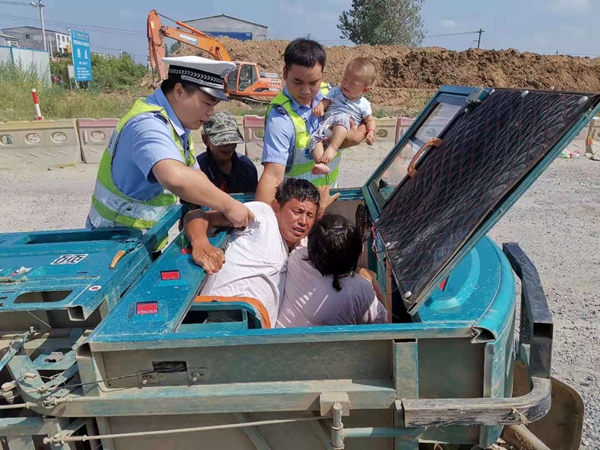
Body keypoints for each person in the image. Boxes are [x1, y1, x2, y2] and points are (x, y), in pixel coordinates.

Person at [86, 55, 254, 234]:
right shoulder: (148, 124)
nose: (211, 113)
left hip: (137, 239)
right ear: (179, 91)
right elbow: (174, 176)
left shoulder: (177, 124)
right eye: (207, 103)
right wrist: (228, 205)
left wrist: (222, 206)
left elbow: (195, 174)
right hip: (112, 239)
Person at [184, 179, 339, 326]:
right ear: (276, 207)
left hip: (256, 330)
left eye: (309, 215)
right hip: (224, 312)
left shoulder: (298, 245)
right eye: (297, 211)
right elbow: (196, 216)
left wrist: (320, 211)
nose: (303, 221)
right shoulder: (263, 215)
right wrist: (200, 244)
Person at [255, 39, 367, 205]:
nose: (306, 91)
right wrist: (263, 223)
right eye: (298, 82)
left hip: (330, 195)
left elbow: (363, 114)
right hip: (300, 209)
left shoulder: (331, 93)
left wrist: (358, 136)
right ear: (285, 73)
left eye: (313, 82)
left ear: (322, 75)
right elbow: (272, 175)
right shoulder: (280, 117)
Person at [276, 214, 388, 328]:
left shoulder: (297, 259)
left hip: (280, 342)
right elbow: (383, 326)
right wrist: (372, 281)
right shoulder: (359, 289)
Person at [310, 58, 377, 174]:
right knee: (313, 140)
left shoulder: (364, 104)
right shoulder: (336, 90)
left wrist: (371, 131)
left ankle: (333, 148)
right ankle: (321, 163)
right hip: (327, 125)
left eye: (352, 83)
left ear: (365, 90)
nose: (346, 84)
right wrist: (320, 107)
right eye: (345, 79)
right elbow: (325, 101)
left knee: (342, 118)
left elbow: (370, 120)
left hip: (344, 127)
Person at [197, 112, 258, 194]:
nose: (228, 146)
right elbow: (190, 204)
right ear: (206, 140)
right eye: (222, 142)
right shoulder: (198, 169)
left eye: (232, 141)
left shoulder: (246, 168)